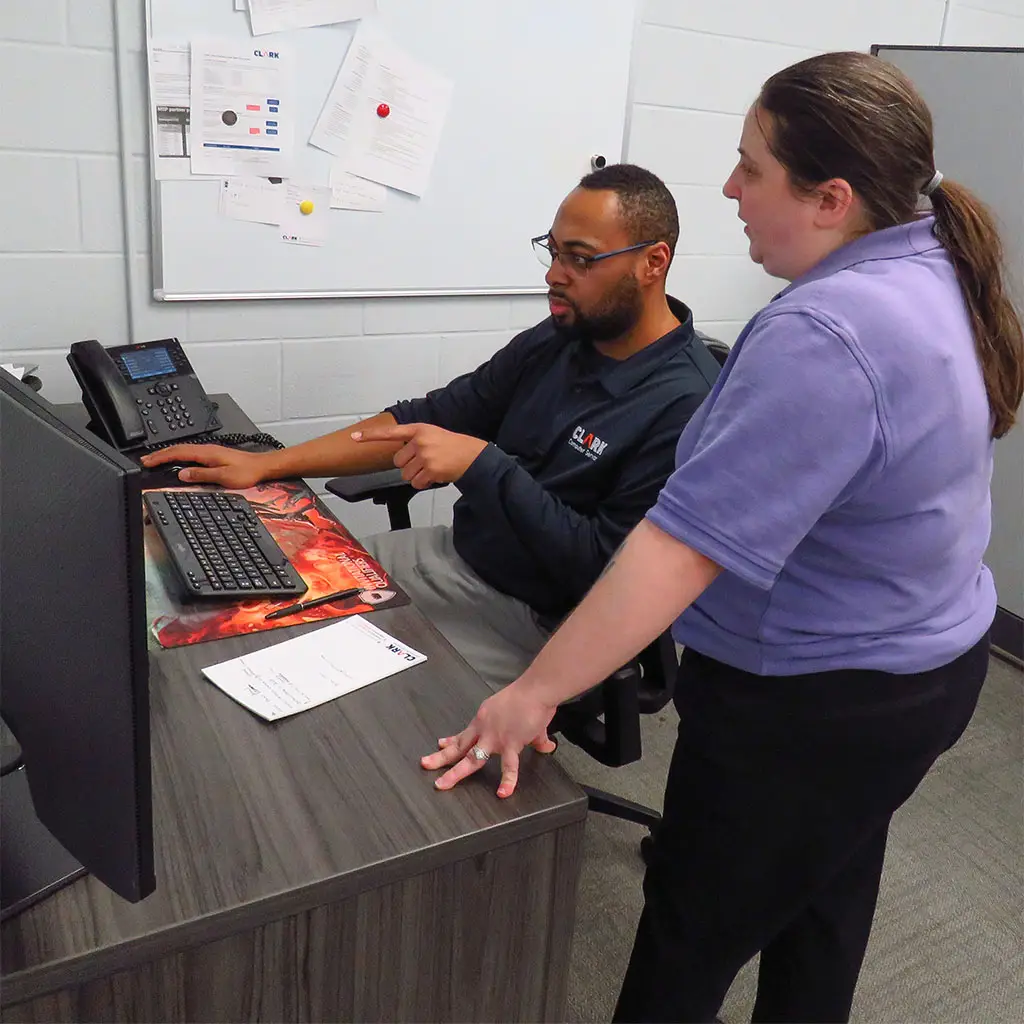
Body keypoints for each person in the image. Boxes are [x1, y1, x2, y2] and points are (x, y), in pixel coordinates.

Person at [418, 51, 1024, 1023]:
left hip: (815, 700)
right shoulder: (927, 259)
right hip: (921, 670)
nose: (729, 189)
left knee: (688, 935)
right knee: (819, 902)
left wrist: (532, 694)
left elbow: (671, 549)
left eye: (750, 167)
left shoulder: (828, 331)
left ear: (830, 197)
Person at [142, 164, 721, 688]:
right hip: (450, 556)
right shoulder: (560, 338)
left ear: (653, 262)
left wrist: (481, 466)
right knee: (250, 613)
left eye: (580, 258)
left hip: (539, 623)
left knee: (323, 689)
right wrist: (270, 464)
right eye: (551, 250)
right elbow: (428, 415)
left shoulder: (686, 404)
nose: (555, 274)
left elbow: (605, 574)